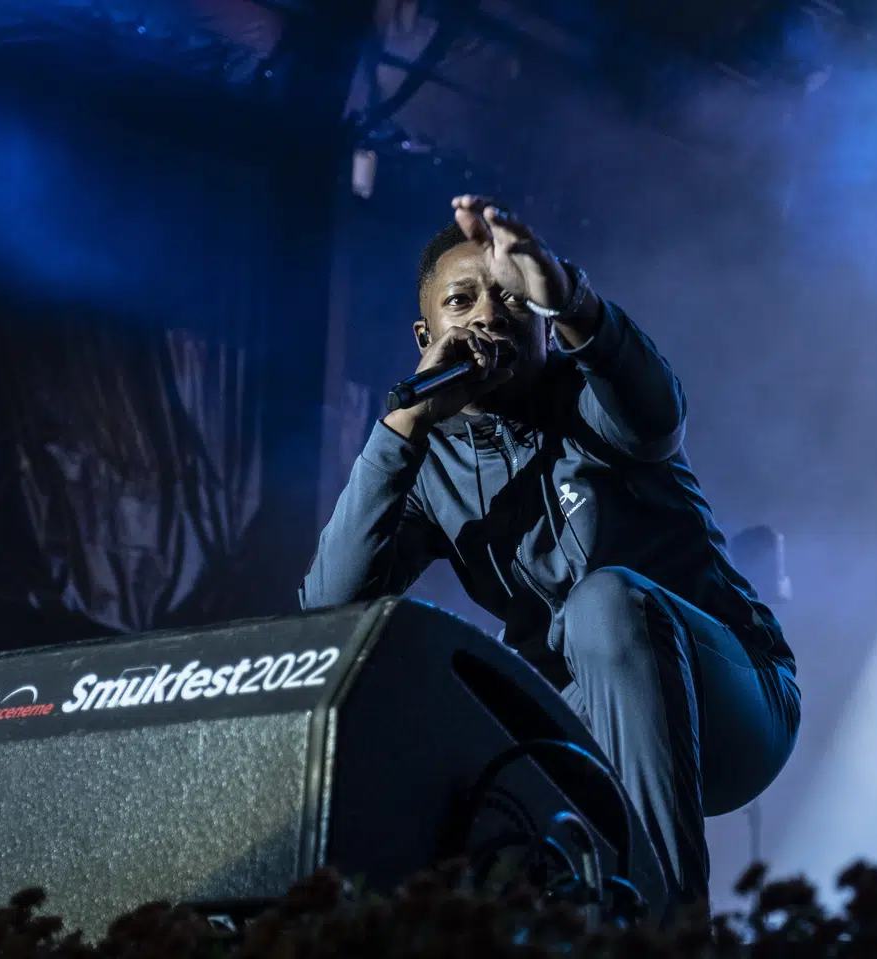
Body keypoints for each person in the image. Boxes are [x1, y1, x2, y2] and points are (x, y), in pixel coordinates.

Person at [301, 195, 801, 907]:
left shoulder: (591, 395)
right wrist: (403, 422)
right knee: (452, 717)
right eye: (462, 300)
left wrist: (569, 299)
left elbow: (657, 416)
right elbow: (328, 611)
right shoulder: (427, 463)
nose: (486, 316)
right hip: (583, 720)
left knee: (603, 605)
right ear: (426, 333)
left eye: (508, 297)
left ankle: (670, 930)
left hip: (733, 700)